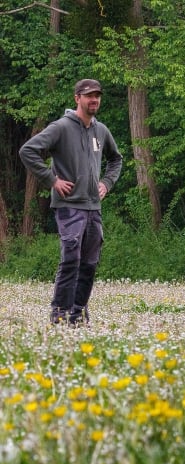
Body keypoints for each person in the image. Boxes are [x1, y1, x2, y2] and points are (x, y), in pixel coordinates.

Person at [19, 78, 123, 326]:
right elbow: (28, 151)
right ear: (77, 98)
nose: (94, 99)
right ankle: (60, 313)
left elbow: (116, 160)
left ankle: (78, 313)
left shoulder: (101, 130)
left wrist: (106, 183)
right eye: (88, 95)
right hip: (69, 207)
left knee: (89, 263)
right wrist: (52, 180)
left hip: (93, 208)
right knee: (70, 260)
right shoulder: (61, 127)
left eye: (97, 95)